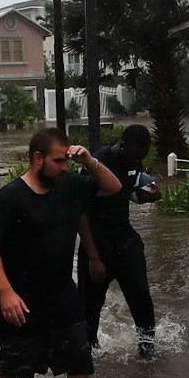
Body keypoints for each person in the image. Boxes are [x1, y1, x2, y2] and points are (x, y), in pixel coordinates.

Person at [0, 128, 121, 378]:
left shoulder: (70, 185)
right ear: (38, 158)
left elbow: (113, 187)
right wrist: (5, 293)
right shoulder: (10, 196)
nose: (64, 167)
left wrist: (89, 161)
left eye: (65, 160)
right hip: (22, 302)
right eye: (58, 161)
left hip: (64, 297)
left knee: (80, 365)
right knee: (12, 369)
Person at [77, 124, 162, 360]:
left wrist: (150, 196)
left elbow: (130, 192)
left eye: (142, 157)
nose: (137, 161)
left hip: (124, 240)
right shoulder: (96, 164)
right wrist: (93, 257)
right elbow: (80, 212)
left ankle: (148, 353)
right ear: (123, 146)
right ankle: (89, 357)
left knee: (141, 298)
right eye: (135, 156)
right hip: (96, 243)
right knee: (90, 308)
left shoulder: (134, 161)